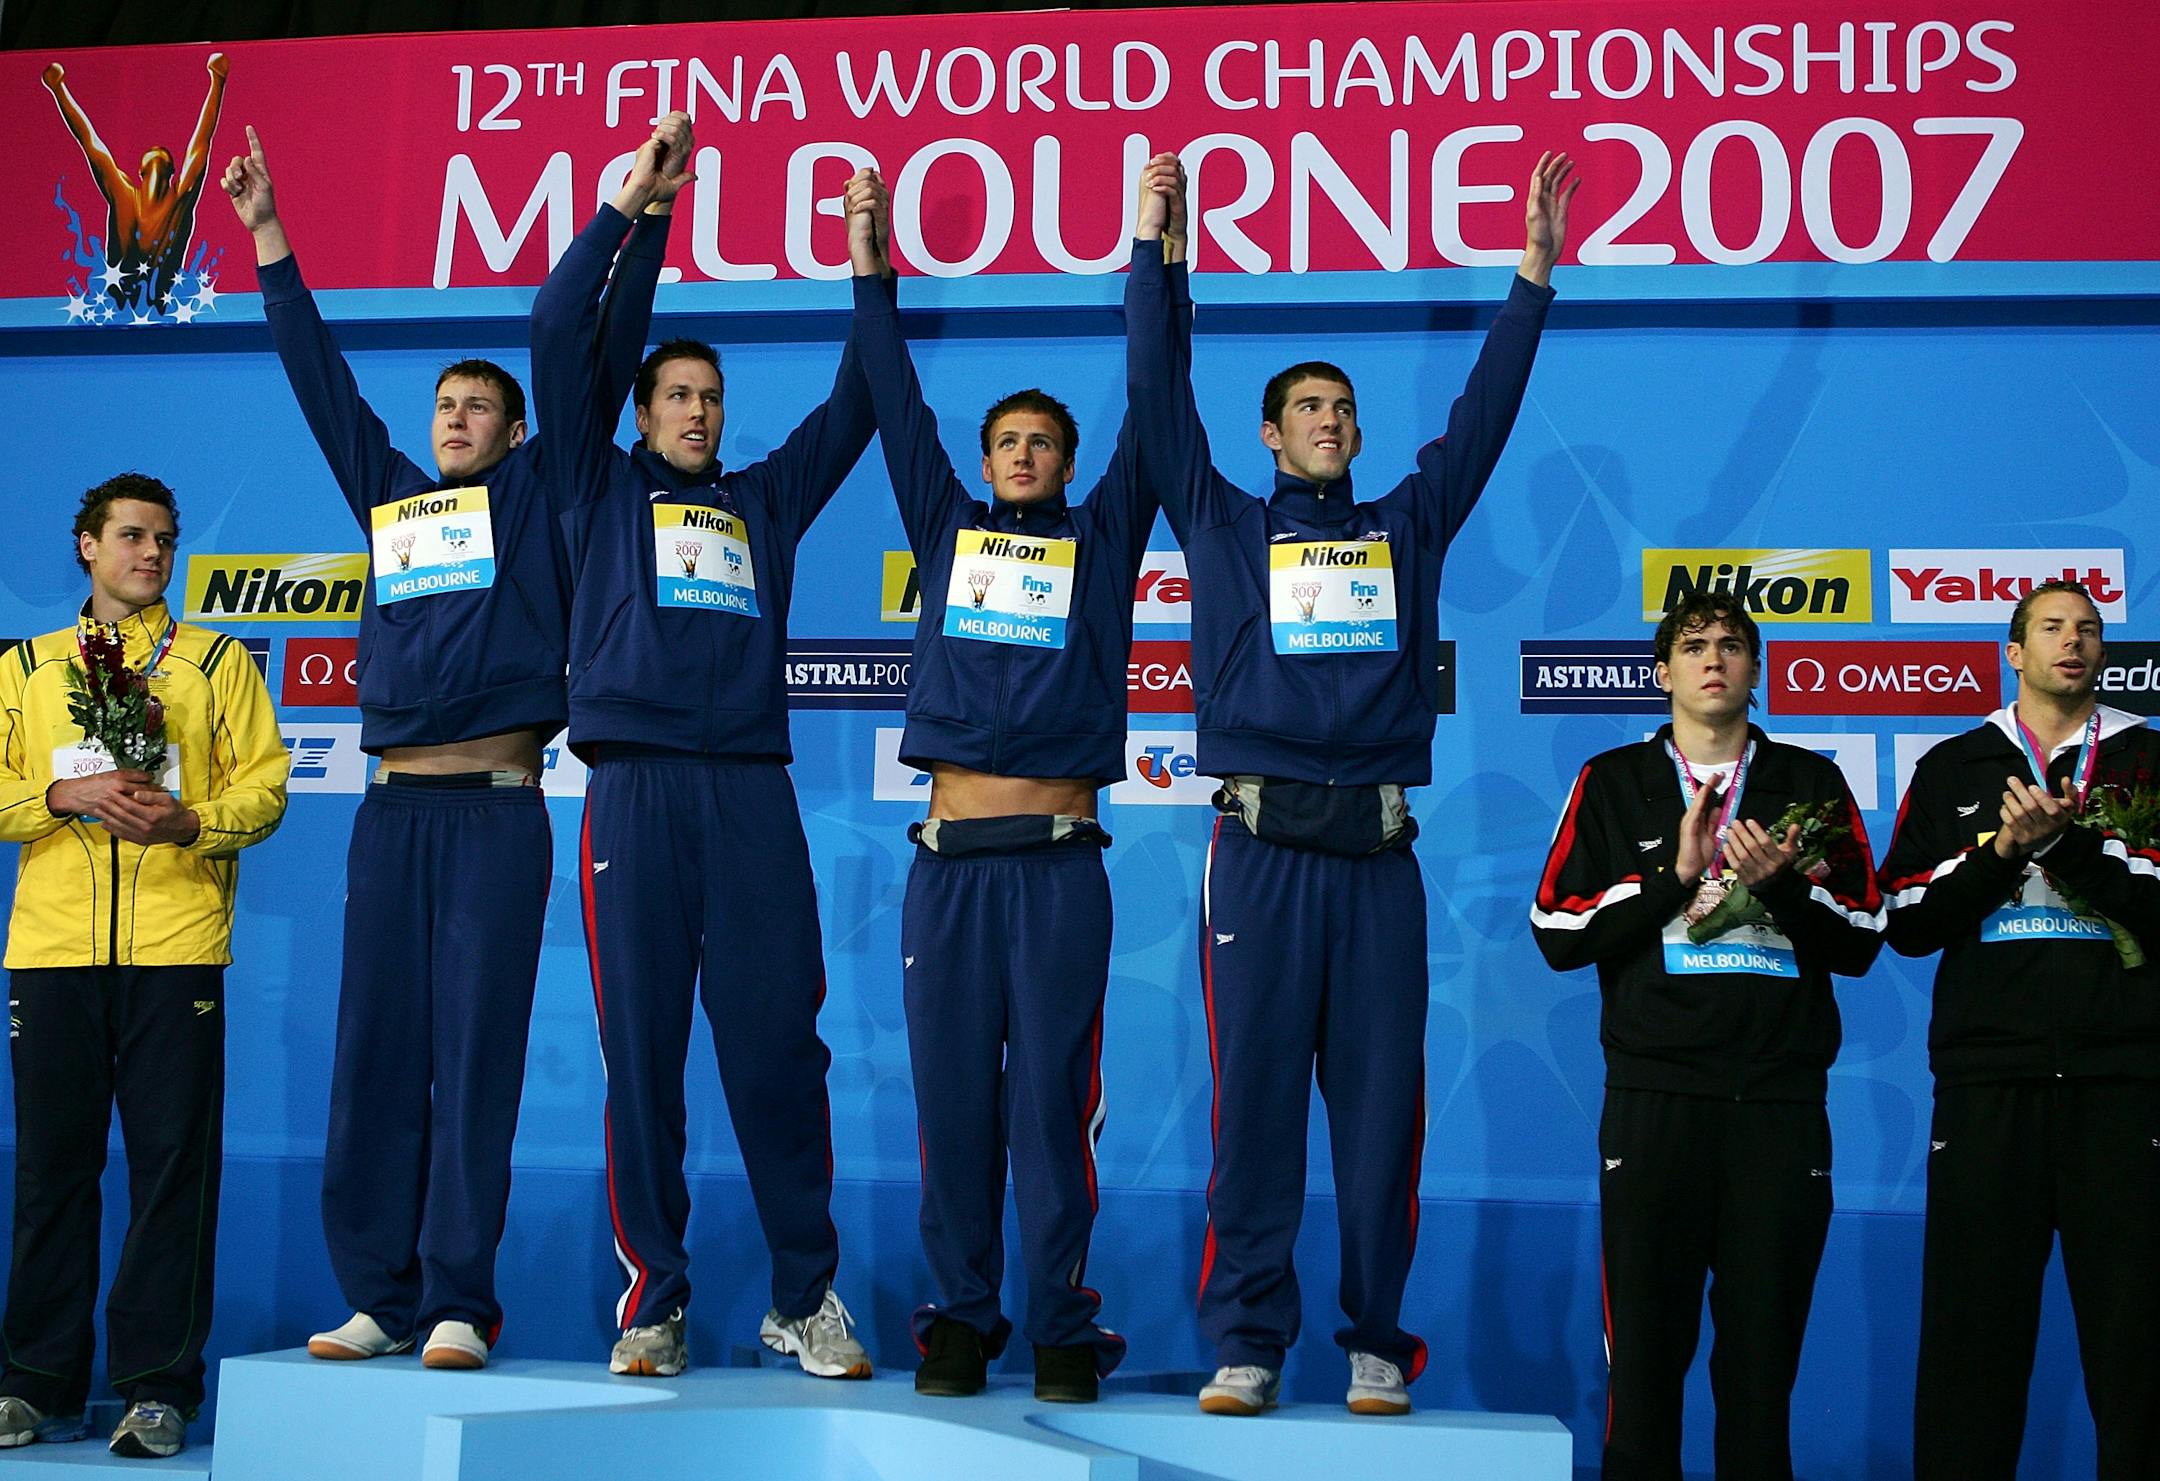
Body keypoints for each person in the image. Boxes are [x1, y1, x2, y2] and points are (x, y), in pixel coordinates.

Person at [1126, 150, 1576, 1417]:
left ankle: (1378, 1337)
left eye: (1343, 408)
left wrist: (1532, 276)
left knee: (1382, 1119)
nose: (1330, 420)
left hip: (1378, 860)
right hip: (1260, 859)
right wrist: (1160, 254)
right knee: (1254, 1114)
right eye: (1306, 407)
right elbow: (1158, 397)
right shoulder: (1218, 522)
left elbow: (1483, 416)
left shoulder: (1405, 525)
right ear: (1270, 434)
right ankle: (1249, 1343)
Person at [222, 119, 674, 1370]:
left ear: (516, 434)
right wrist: (270, 239)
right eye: (448, 405)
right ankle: (378, 1289)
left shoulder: (537, 495)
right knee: (375, 1056)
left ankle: (460, 1299)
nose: (460, 416)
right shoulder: (395, 500)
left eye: (482, 405)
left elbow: (601, 354)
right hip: (390, 812)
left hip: (495, 809)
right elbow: (322, 382)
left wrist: (643, 217)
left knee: (473, 1055)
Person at [533, 128, 879, 1382]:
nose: (696, 411)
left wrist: (868, 270)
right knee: (645, 1053)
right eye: (677, 395)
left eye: (711, 398)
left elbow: (859, 406)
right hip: (632, 791)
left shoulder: (762, 502)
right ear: (639, 412)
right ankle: (657, 1295)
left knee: (782, 1045)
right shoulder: (590, 483)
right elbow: (561, 328)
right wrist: (635, 212)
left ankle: (805, 1293)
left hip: (750, 796)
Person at [845, 159, 1190, 1403]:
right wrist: (872, 258)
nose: (1028, 453)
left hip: (1057, 871)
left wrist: (1161, 249)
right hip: (948, 871)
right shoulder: (944, 528)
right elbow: (891, 397)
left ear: (1070, 461)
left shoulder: (1105, 542)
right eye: (1010, 441)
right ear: (986, 461)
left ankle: (1057, 1321)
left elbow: (1162, 405)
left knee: (1052, 1111)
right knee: (953, 1110)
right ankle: (959, 1320)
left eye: (1047, 441)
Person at [1531, 593, 1883, 1480]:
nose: (1714, 659)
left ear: (1757, 669)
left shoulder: (1810, 782)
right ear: (1663, 673)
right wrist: (1671, 875)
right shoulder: (1613, 780)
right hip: (1656, 1106)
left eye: (1733, 645)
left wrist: (1789, 887)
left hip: (1779, 1106)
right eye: (1694, 647)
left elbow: (1866, 936)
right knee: (1645, 1376)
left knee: (1760, 1382)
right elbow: (1556, 930)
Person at [0, 474, 288, 1458]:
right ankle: (34, 1382)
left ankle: (156, 1388)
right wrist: (61, 795)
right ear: (86, 545)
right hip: (51, 951)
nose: (152, 554)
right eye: (131, 536)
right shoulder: (28, 667)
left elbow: (268, 787)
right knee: (50, 1170)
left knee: (172, 1173)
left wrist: (191, 819)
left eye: (164, 539)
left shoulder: (212, 659)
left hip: (176, 950)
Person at [1880, 579, 2160, 1481]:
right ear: (2013, 650)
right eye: (2050, 627)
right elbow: (1909, 919)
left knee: (2138, 1349)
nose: (2071, 642)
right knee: (1972, 1341)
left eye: (2087, 629)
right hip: (1987, 1086)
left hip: (2126, 1088)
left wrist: (2068, 846)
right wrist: (2004, 850)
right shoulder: (1956, 764)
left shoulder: (2149, 757)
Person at [43, 53, 228, 313]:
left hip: (149, 304)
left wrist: (218, 81)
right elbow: (89, 141)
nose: (156, 157)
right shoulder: (132, 195)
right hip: (130, 305)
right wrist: (58, 89)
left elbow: (201, 143)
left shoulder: (165, 198)